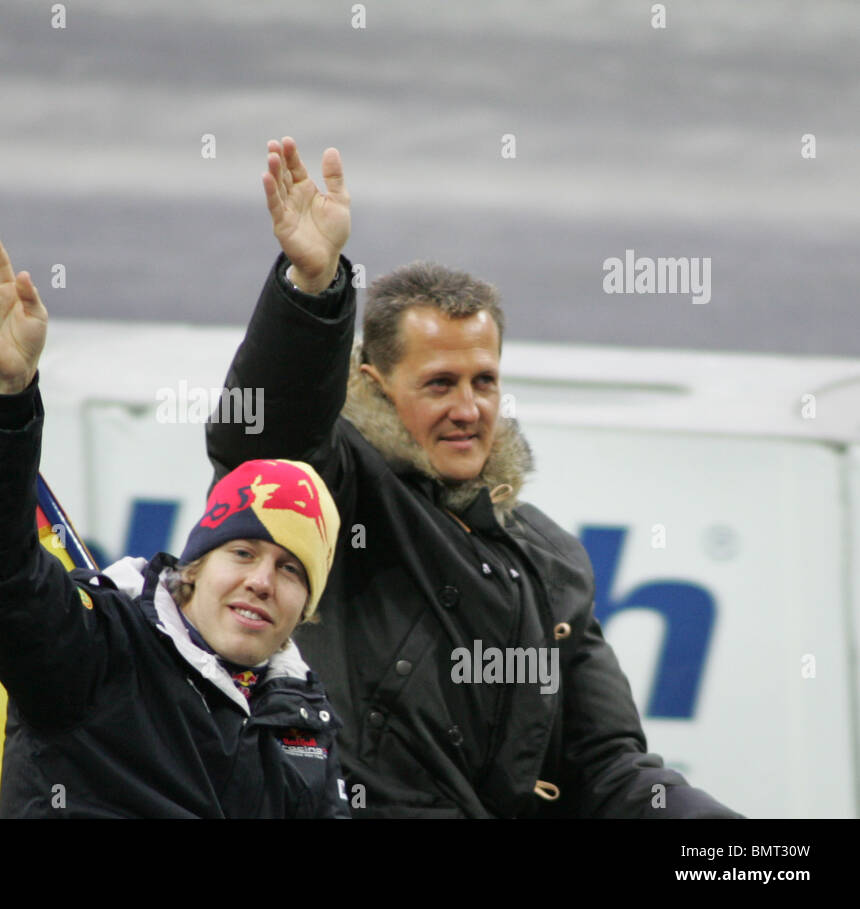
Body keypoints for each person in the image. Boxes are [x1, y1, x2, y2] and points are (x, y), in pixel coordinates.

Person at [205, 138, 739, 818]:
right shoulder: (335, 490)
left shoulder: (552, 560)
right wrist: (311, 288)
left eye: (484, 381)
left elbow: (607, 767)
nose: (468, 408)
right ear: (373, 385)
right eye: (440, 384)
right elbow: (258, 441)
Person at [0, 229, 349, 818]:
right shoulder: (97, 650)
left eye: (291, 570)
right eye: (242, 553)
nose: (262, 581)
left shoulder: (303, 723)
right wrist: (10, 397)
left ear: (307, 607)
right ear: (196, 565)